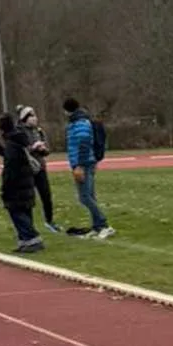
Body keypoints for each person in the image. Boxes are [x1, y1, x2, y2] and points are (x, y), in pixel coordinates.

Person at [63, 98, 114, 240]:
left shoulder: (79, 124)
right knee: (90, 195)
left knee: (84, 197)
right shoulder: (81, 122)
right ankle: (97, 226)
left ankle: (104, 225)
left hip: (83, 163)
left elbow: (84, 143)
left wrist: (79, 165)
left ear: (67, 110)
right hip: (86, 162)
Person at [0, 114, 43, 253]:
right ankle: (25, 241)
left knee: (16, 211)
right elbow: (9, 155)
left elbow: (10, 167)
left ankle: (32, 238)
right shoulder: (19, 140)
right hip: (26, 179)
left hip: (16, 183)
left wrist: (5, 188)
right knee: (24, 210)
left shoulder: (12, 144)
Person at [17, 105, 61, 232]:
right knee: (28, 198)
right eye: (31, 116)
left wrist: (43, 149)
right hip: (27, 169)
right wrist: (33, 147)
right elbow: (21, 150)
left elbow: (47, 150)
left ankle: (49, 221)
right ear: (25, 118)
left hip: (40, 167)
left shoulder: (39, 131)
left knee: (46, 195)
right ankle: (28, 225)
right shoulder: (20, 132)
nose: (34, 118)